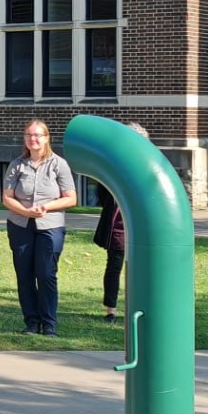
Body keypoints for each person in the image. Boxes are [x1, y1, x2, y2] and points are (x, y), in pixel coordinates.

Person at [1, 120, 78, 338]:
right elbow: (7, 197)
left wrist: (47, 207)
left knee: (46, 274)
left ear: (46, 138)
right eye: (28, 135)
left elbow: (71, 198)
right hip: (20, 225)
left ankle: (49, 324)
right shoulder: (17, 164)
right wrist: (26, 212)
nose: (32, 139)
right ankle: (31, 323)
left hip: (50, 226)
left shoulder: (58, 164)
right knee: (24, 275)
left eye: (37, 135)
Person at [91, 122, 148, 324]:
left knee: (141, 268)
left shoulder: (148, 164)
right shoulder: (114, 163)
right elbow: (103, 192)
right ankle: (111, 309)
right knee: (115, 265)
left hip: (142, 224)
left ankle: (140, 306)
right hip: (118, 224)